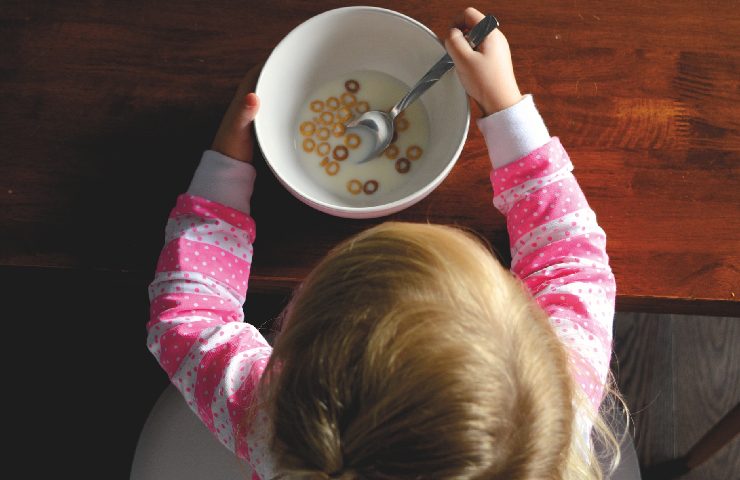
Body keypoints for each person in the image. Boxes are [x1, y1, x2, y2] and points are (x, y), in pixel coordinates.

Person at [147, 7, 631, 479]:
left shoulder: (271, 421)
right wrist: (504, 106)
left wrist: (226, 165)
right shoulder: (560, 402)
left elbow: (189, 320)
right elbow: (570, 257)